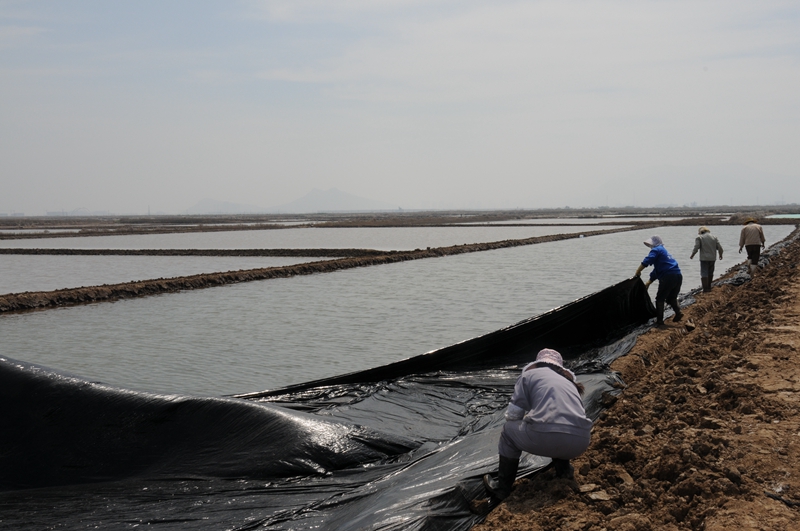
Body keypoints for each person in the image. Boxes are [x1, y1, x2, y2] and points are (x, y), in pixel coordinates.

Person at [483, 349, 592, 500]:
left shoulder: (528, 376)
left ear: (538, 364)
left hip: (548, 437)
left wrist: (526, 421)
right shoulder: (569, 383)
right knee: (557, 425)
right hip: (580, 442)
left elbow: (513, 415)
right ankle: (564, 471)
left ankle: (502, 489)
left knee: (508, 431)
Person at [634, 235, 684, 326]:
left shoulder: (656, 250)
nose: (650, 247)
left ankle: (660, 321)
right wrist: (649, 282)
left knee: (660, 298)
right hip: (678, 275)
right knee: (671, 297)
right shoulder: (664, 251)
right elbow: (657, 271)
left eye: (651, 244)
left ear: (654, 243)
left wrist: (639, 270)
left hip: (668, 277)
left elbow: (648, 259)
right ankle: (678, 312)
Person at [690, 226, 723, 292]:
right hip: (712, 258)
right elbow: (719, 247)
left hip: (704, 258)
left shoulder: (699, 237)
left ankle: (705, 289)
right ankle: (709, 287)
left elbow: (696, 247)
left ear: (701, 232)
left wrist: (692, 255)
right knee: (710, 272)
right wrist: (720, 254)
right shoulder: (714, 237)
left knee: (704, 273)